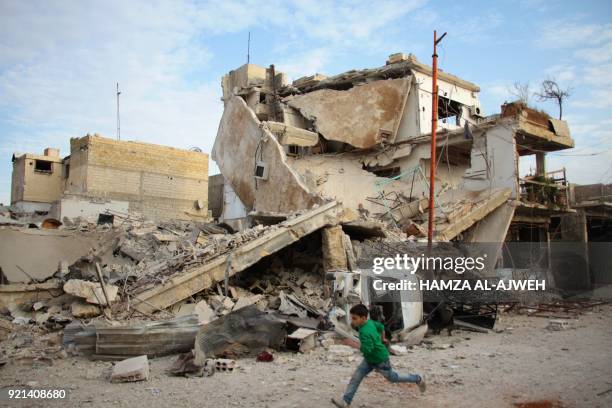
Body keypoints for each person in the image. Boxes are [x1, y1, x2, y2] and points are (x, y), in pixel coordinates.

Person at [332, 304, 426, 407]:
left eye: (354, 318)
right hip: (370, 359)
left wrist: (351, 343)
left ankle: (418, 378)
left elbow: (368, 349)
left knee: (393, 377)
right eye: (352, 318)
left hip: (380, 360)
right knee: (356, 377)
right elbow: (381, 327)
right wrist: (383, 338)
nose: (352, 321)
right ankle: (346, 401)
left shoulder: (364, 331)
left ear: (363, 318)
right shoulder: (370, 322)